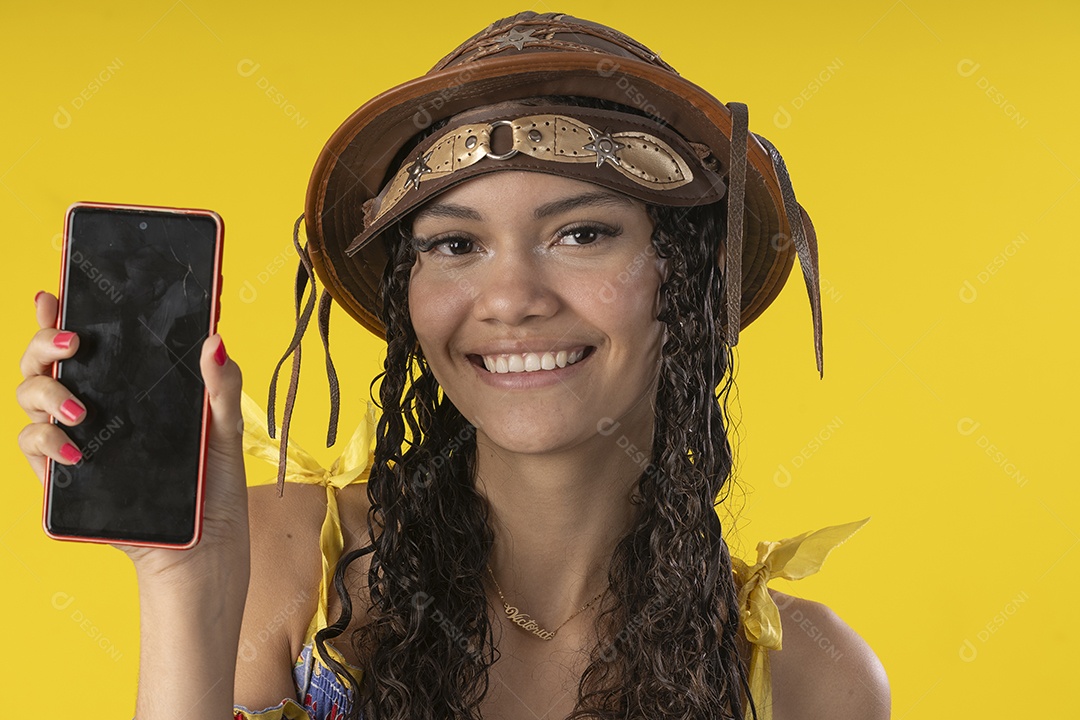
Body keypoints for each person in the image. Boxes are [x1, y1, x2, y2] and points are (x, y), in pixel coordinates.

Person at [16, 11, 889, 720]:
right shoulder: (286, 564)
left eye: (581, 233)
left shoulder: (811, 681)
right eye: (456, 243)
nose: (508, 298)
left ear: (685, 277)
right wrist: (186, 589)